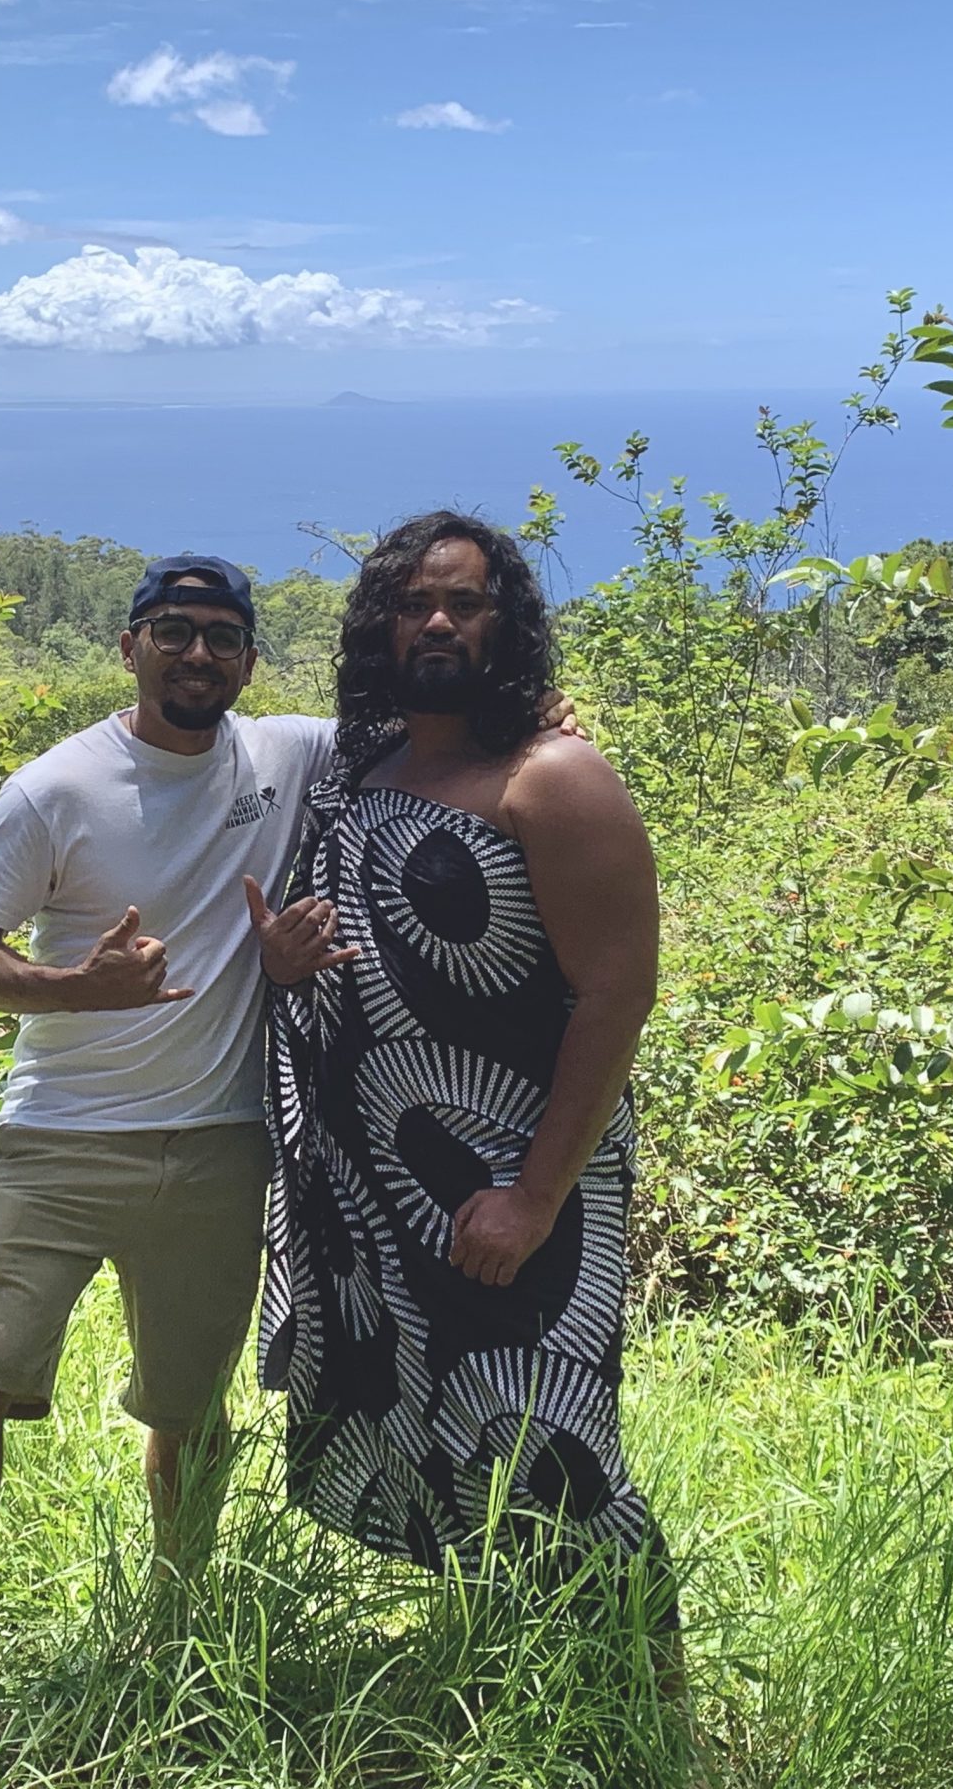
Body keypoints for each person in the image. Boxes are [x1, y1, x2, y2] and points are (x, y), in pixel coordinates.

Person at [252, 510, 678, 1659]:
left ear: (508, 624)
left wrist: (535, 1195)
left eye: (465, 603)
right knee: (449, 1431)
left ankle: (639, 1713)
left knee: (550, 1441)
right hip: (381, 1188)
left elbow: (614, 997)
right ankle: (511, 1668)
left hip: (506, 1177)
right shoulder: (365, 758)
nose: (436, 621)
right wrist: (283, 962)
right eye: (413, 602)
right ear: (380, 624)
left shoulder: (553, 777)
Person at [0, 554, 331, 1652]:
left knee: (188, 1411)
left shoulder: (288, 754)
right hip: (55, 1139)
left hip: (218, 1145)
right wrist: (74, 990)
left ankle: (178, 1626)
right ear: (129, 645)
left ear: (248, 657)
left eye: (222, 636)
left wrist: (545, 718)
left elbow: (430, 737)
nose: (198, 653)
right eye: (174, 631)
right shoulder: (58, 787)